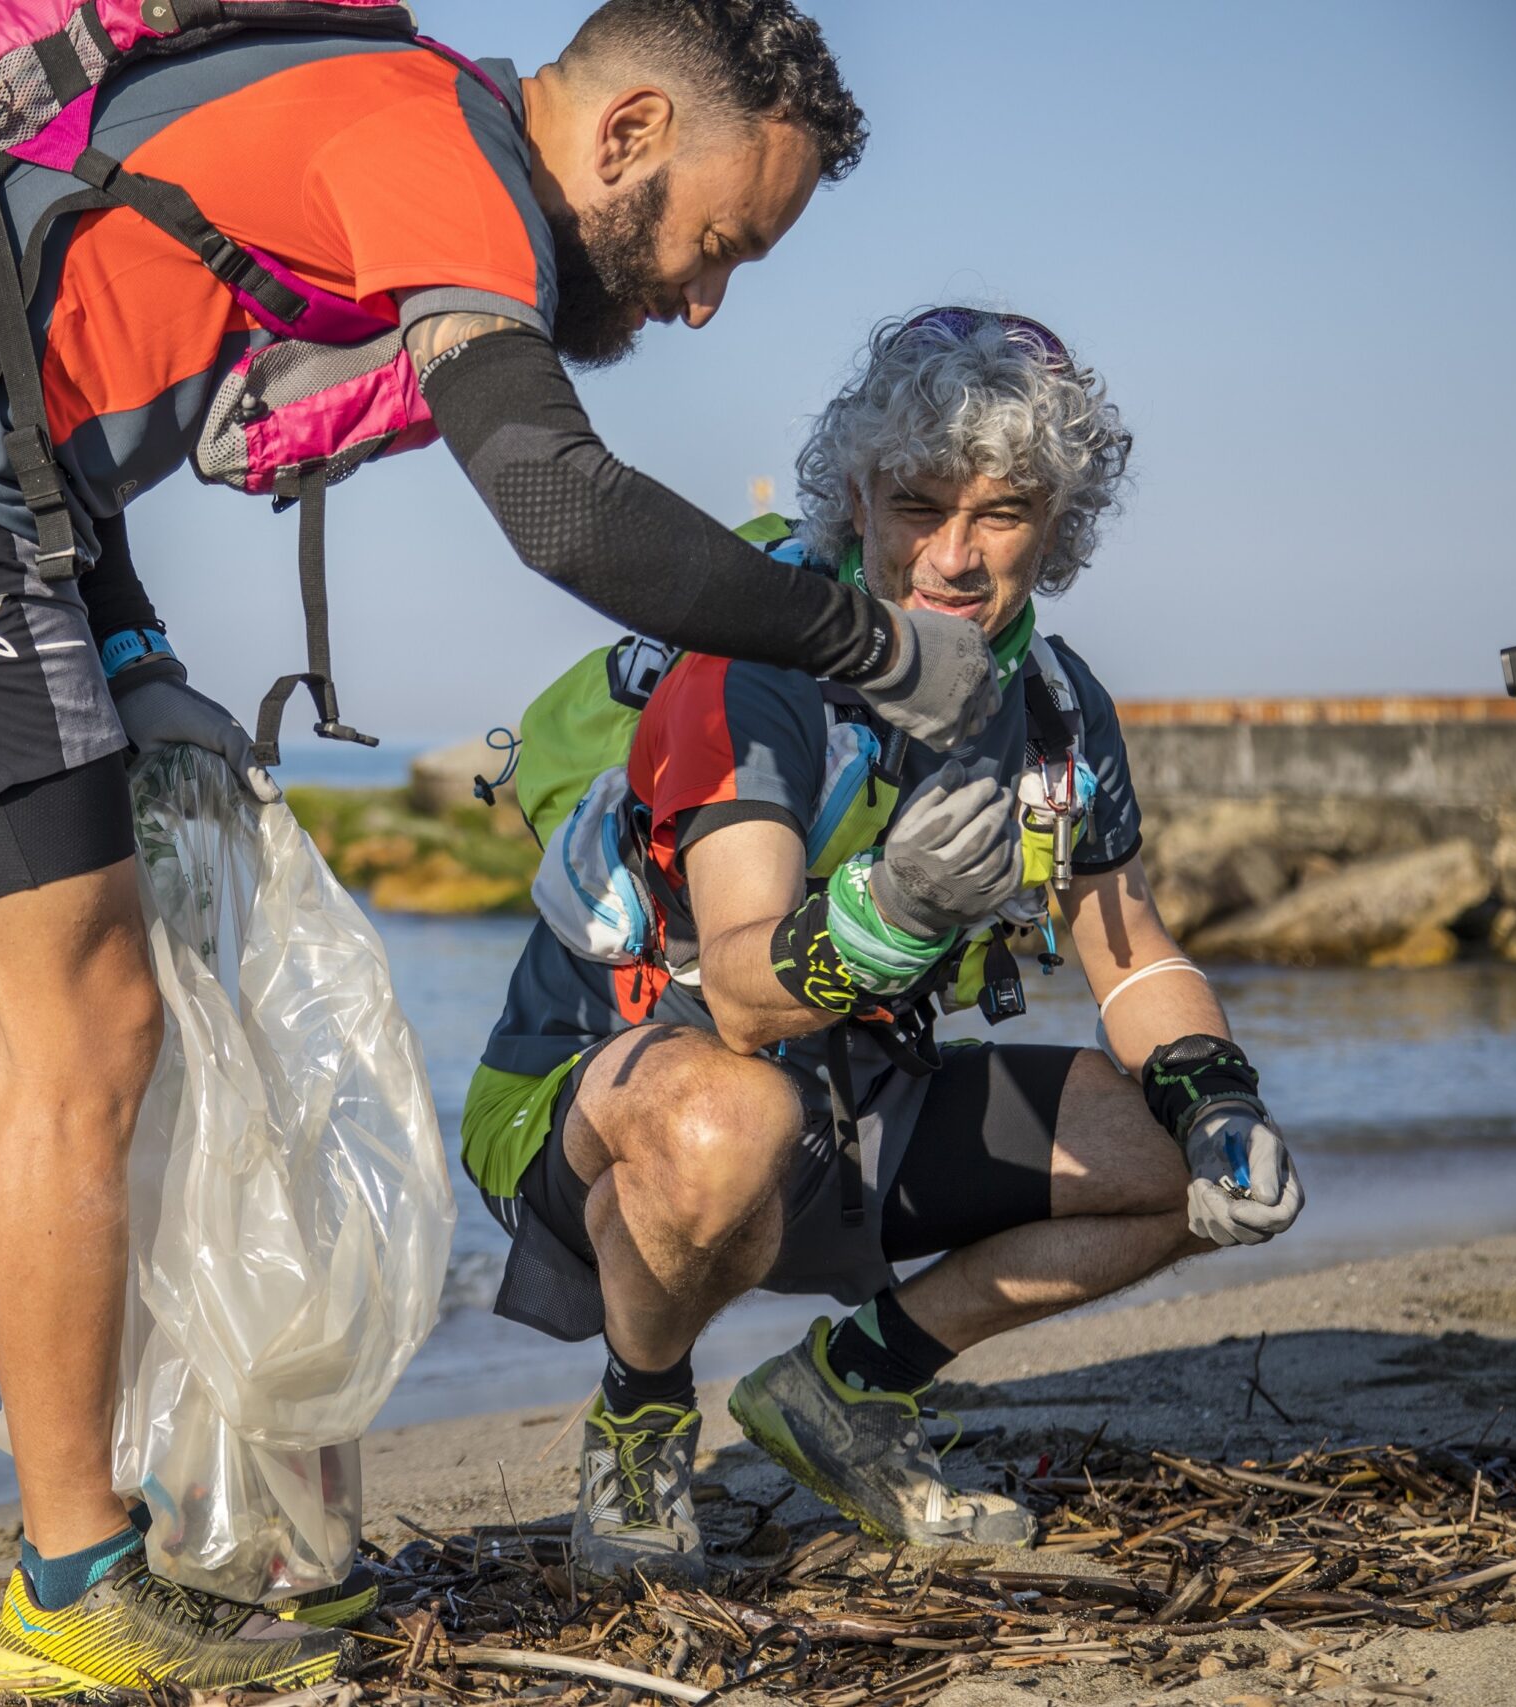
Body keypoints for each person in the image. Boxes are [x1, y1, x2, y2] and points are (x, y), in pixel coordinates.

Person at [0, 1, 1004, 1695]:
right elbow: (561, 502)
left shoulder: (404, 123)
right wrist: (871, 647)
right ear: (620, 134)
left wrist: (134, 658)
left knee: (44, 1026)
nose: (700, 299)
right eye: (713, 243)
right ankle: (73, 1582)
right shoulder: (444, 151)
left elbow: (52, 350)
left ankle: (93, 1546)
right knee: (79, 1026)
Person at [459, 308, 1308, 1587]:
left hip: (852, 1103)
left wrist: (1218, 1096)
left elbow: (1132, 954)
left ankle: (844, 1392)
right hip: (608, 1099)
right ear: (855, 496)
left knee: (1162, 1155)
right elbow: (741, 997)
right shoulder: (755, 667)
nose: (955, 557)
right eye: (917, 503)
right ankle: (640, 1418)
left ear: (1057, 524)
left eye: (1003, 512)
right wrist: (886, 913)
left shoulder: (1055, 705)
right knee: (720, 1115)